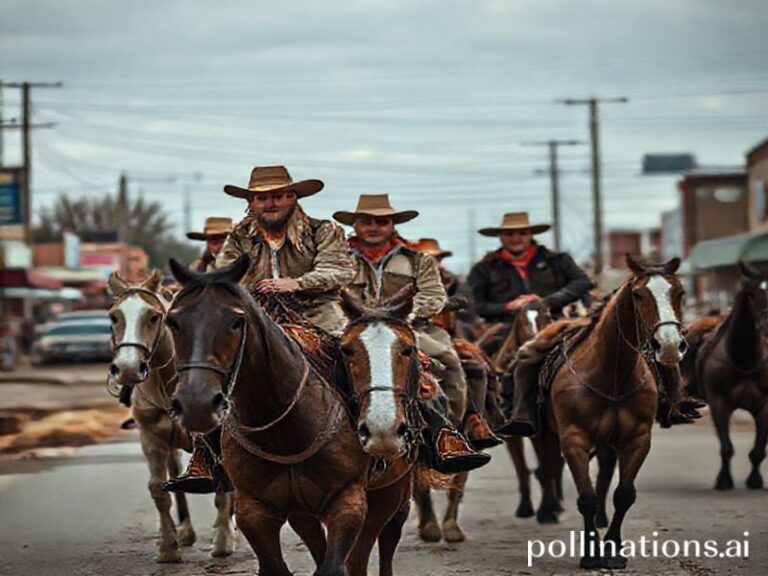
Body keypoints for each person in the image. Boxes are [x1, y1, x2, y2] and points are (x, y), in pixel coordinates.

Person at [166, 166, 355, 493]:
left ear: (293, 198)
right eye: (262, 198)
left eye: (278, 196)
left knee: (352, 360)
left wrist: (297, 283)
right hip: (258, 318)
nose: (270, 203)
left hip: (318, 315)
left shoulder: (323, 230)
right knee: (215, 366)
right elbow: (220, 276)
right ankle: (206, 454)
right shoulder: (239, 237)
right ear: (251, 202)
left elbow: (339, 270)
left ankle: (371, 440)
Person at [333, 194, 490, 473]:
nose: (374, 227)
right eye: (367, 221)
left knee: (449, 359)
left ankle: (447, 432)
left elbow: (434, 295)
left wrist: (401, 316)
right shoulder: (338, 260)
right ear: (355, 224)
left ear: (392, 225)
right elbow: (328, 295)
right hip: (352, 330)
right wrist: (355, 319)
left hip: (409, 329)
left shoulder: (418, 261)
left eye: (382, 222)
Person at [467, 212, 592, 436]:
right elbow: (475, 304)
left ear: (531, 235)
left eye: (522, 233)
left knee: (595, 349)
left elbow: (582, 282)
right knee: (477, 362)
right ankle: (485, 415)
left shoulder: (558, 260)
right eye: (510, 234)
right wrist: (507, 307)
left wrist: (546, 301)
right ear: (501, 237)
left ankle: (662, 398)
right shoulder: (484, 268)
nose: (516, 238)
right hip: (505, 325)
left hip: (556, 320)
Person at [414, 238, 502, 449]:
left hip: (443, 332)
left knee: (476, 365)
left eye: (435, 258)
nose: (432, 262)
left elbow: (465, 300)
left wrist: (441, 304)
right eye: (427, 258)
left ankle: (475, 418)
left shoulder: (450, 279)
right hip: (412, 329)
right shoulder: (411, 277)